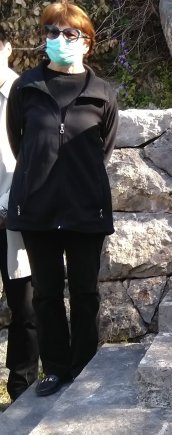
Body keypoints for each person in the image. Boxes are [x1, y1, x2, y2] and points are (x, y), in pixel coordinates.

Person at [5, 0, 118, 397]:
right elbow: (20, 144)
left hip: (86, 209)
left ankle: (83, 366)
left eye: (70, 33)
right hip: (38, 209)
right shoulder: (25, 88)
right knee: (46, 293)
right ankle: (54, 367)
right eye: (52, 32)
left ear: (87, 42)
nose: (59, 39)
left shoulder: (102, 92)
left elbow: (102, 148)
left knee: (85, 293)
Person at [0, 28, 38, 401]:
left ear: (8, 48)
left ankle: (21, 387)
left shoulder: (28, 93)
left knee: (25, 306)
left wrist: (7, 203)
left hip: (16, 216)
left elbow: (37, 155)